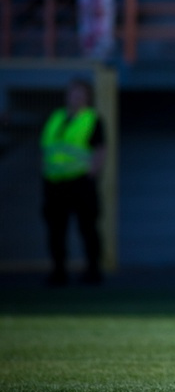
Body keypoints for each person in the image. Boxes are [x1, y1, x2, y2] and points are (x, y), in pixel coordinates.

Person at [40, 78, 105, 286]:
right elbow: (47, 147)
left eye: (80, 93)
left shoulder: (92, 119)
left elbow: (100, 150)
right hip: (54, 183)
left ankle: (93, 270)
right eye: (73, 92)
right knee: (56, 230)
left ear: (87, 97)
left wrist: (92, 173)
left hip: (80, 182)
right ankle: (58, 271)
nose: (76, 97)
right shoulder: (56, 117)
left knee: (88, 227)